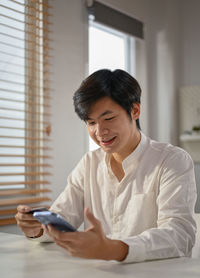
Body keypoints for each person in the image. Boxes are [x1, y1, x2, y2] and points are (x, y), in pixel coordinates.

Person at [15, 69, 197, 263]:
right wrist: (36, 228)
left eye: (108, 118)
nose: (100, 132)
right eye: (91, 122)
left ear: (135, 111)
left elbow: (179, 236)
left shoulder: (171, 160)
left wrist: (113, 249)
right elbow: (63, 218)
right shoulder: (89, 163)